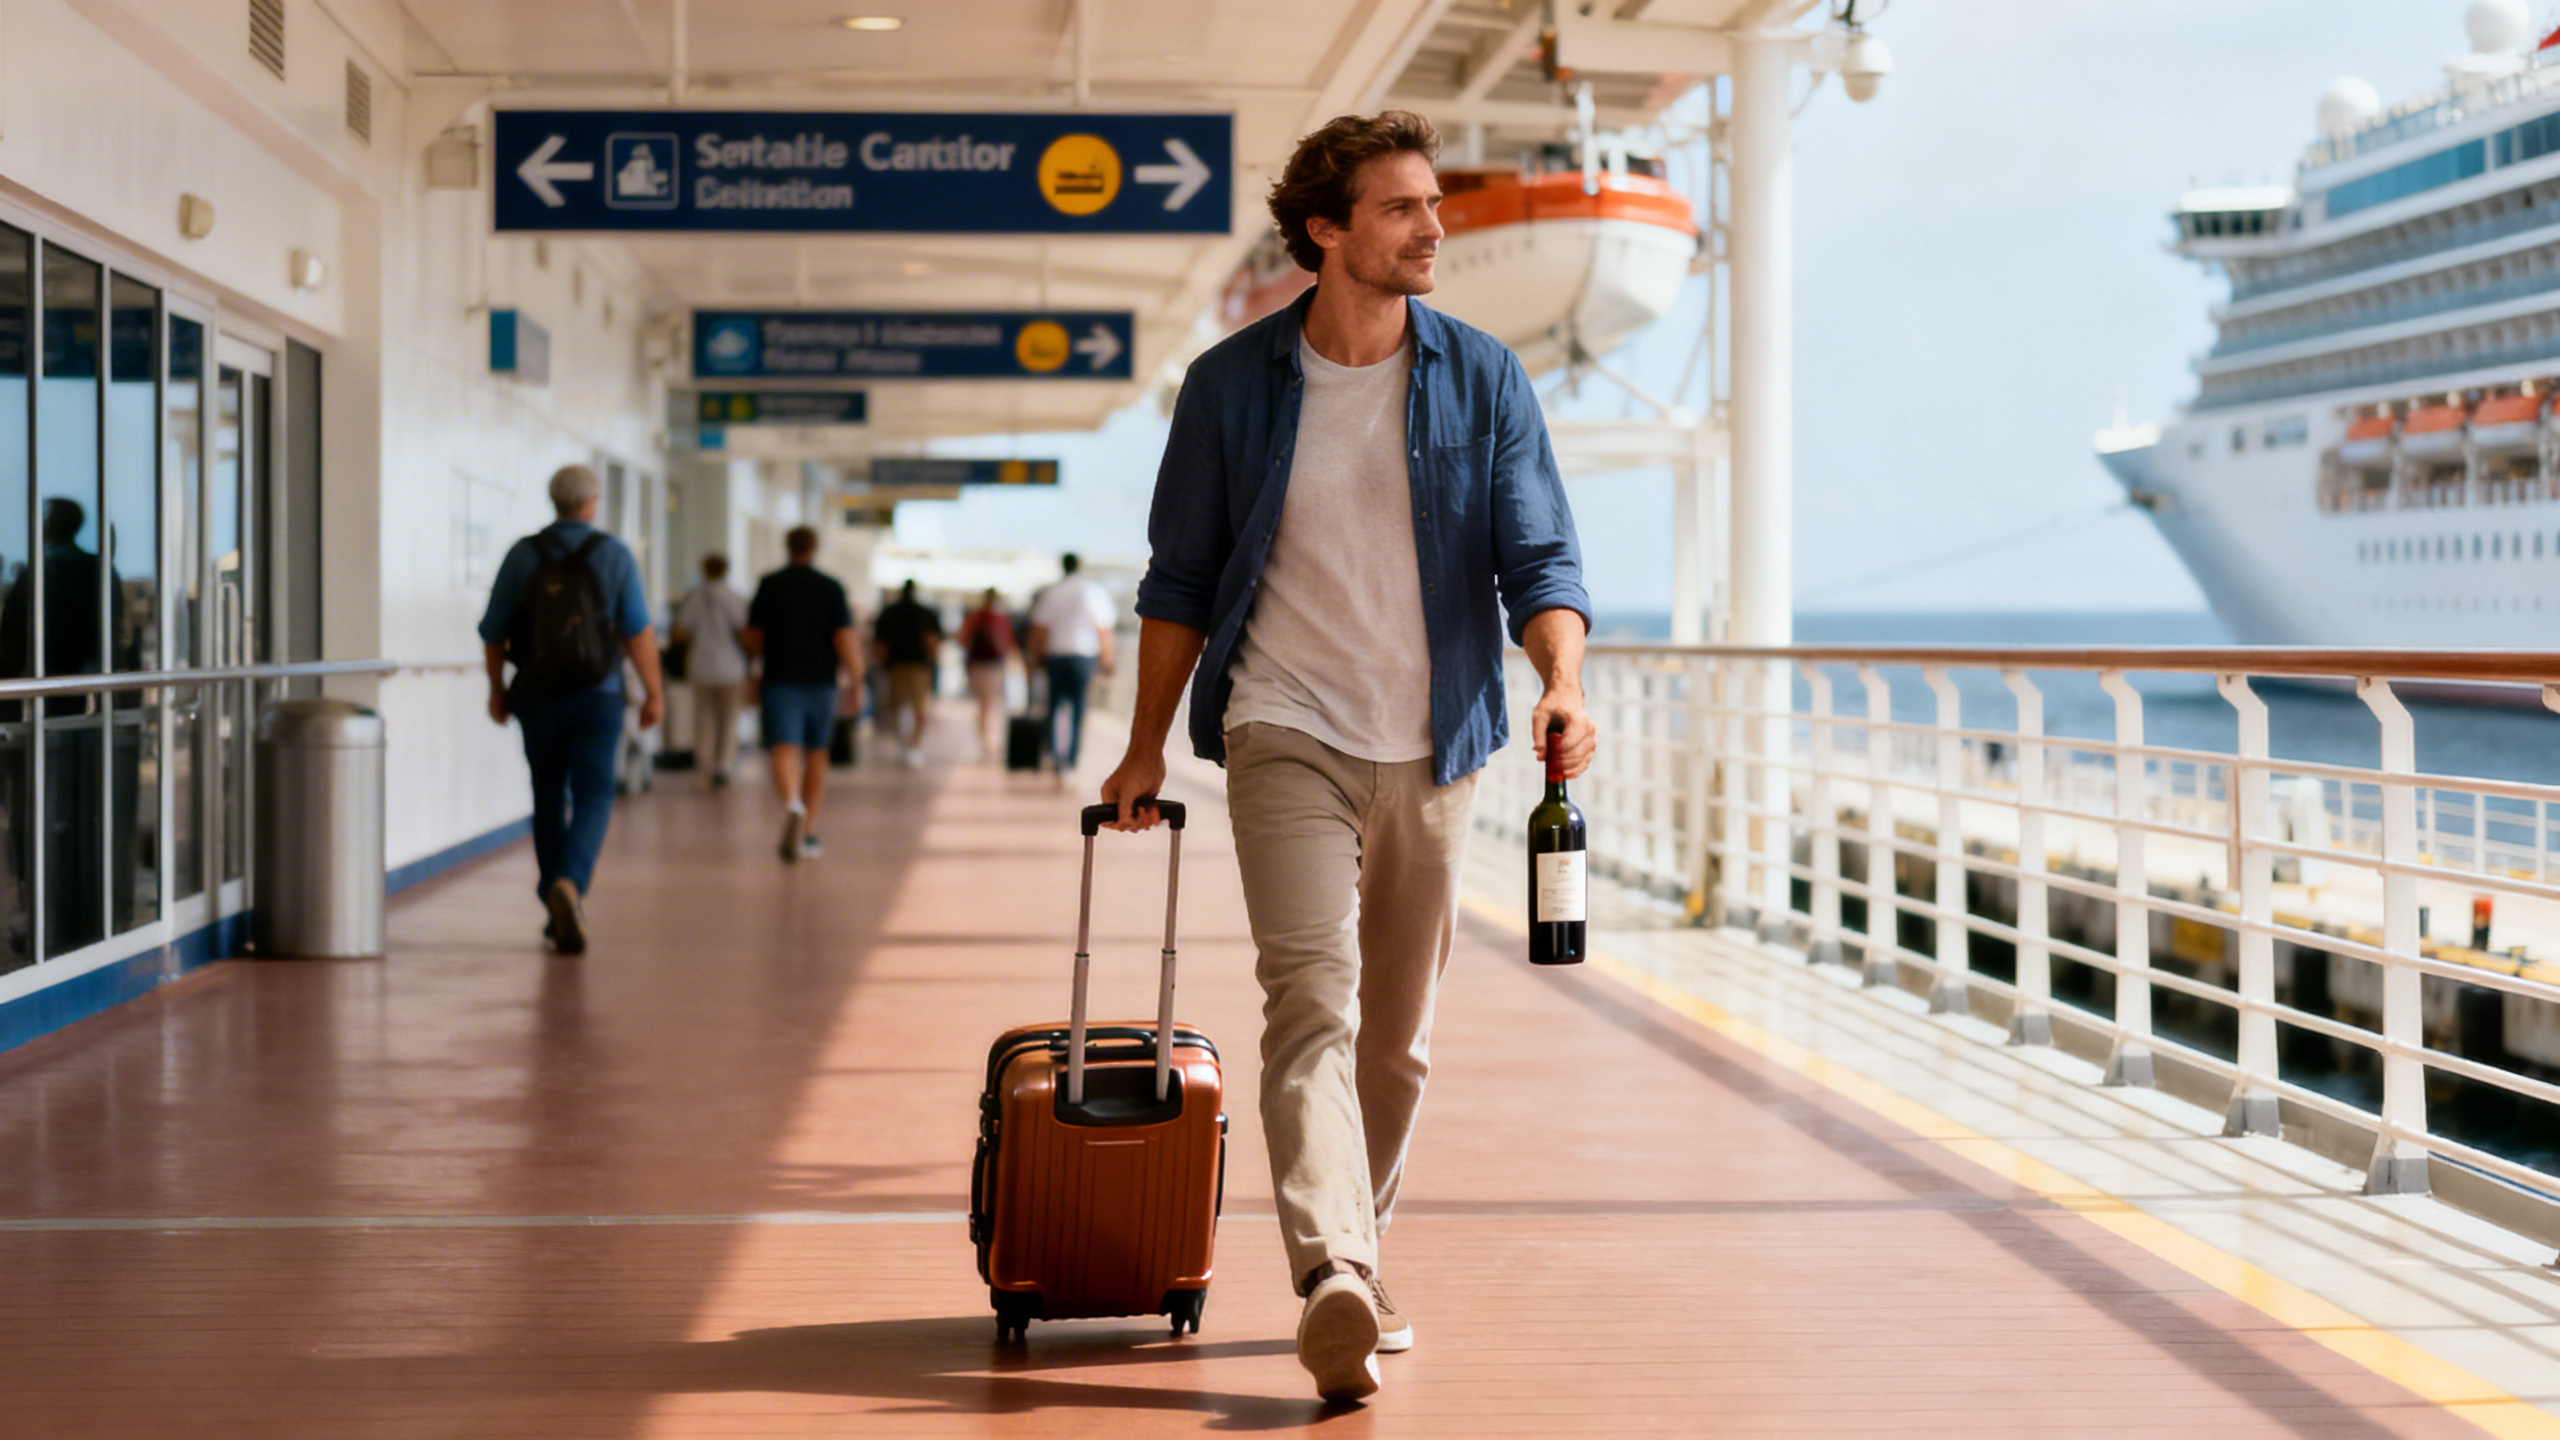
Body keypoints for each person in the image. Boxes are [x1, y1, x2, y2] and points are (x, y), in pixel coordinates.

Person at [1098, 111, 1594, 1403]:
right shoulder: (1230, 386)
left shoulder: (1483, 377)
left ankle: (1359, 1254)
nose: (1434, 227)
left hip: (1439, 741)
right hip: (1284, 728)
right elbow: (1183, 581)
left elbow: (1539, 555)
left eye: (1434, 205)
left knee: (1399, 1040)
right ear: (1326, 231)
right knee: (1310, 1004)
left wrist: (1562, 679)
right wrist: (1144, 747)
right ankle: (1335, 1276)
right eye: (1402, 208)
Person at [478, 464, 664, 955]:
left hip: (536, 694)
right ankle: (571, 883)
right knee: (596, 792)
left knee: (547, 794)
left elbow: (493, 631)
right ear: (592, 502)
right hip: (598, 694)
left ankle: (554, 901)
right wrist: (654, 692)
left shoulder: (523, 554)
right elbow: (639, 631)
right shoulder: (614, 554)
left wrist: (497, 689)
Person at [742, 527, 862, 863]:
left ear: (788, 546)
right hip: (822, 682)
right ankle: (808, 831)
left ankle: (792, 803)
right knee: (817, 752)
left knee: (784, 746)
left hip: (780, 678)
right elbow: (844, 637)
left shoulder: (770, 585)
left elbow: (753, 637)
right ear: (814, 547)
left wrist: (752, 669)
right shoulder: (831, 587)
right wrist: (856, 680)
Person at [1025, 554, 1115, 774]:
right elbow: (1103, 628)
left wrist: (1033, 659)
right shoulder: (1093, 591)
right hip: (1083, 658)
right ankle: (1071, 760)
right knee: (1078, 709)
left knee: (1053, 707)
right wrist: (1108, 659)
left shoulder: (1052, 592)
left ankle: (1054, 755)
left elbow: (1040, 629)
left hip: (1055, 656)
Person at [670, 553, 750, 787]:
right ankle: (724, 765)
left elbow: (680, 632)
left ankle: (704, 766)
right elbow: (745, 632)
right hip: (731, 666)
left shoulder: (694, 597)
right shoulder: (735, 598)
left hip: (701, 664)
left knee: (703, 718)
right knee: (729, 718)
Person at [871, 578, 943, 769]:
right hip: (919, 666)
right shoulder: (924, 613)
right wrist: (935, 661)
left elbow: (880, 643)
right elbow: (932, 640)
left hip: (896, 666)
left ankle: (905, 745)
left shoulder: (889, 612)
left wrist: (883, 663)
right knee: (919, 710)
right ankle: (913, 746)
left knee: (897, 707)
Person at [956, 587, 1018, 758]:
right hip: (993, 666)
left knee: (983, 705)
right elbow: (1008, 645)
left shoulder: (975, 617)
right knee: (991, 704)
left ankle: (986, 739)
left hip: (976, 666)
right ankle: (990, 741)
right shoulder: (1000, 619)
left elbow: (962, 639)